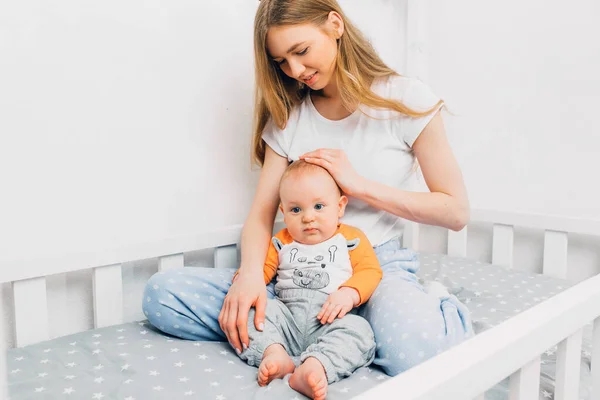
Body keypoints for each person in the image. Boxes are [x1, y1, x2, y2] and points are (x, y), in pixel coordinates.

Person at [142, 0, 473, 379]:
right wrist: (251, 276)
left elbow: (456, 211)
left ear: (335, 25)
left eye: (300, 51)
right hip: (293, 276)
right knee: (162, 294)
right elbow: (260, 217)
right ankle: (308, 340)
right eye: (281, 61)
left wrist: (360, 186)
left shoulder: (404, 100)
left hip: (373, 269)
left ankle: (413, 308)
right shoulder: (291, 117)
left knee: (422, 351)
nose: (295, 70)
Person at [236, 160, 382, 399]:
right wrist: (244, 281)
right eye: (296, 210)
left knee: (360, 331)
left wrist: (349, 293)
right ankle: (274, 353)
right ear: (283, 212)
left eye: (319, 206)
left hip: (330, 320)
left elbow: (370, 270)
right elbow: (259, 274)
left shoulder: (350, 238)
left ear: (340, 207)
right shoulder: (281, 241)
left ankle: (316, 365)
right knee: (254, 312)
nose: (308, 217)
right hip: (287, 318)